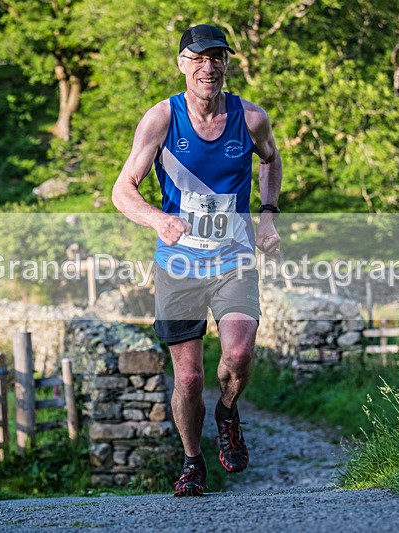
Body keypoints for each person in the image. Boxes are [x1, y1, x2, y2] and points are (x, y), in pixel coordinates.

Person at [111, 23, 282, 497]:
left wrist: (267, 216)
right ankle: (192, 463)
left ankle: (228, 412)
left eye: (218, 58)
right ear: (183, 64)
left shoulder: (250, 118)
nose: (209, 67)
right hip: (179, 263)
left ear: (226, 64)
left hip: (234, 257)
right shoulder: (161, 119)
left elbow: (270, 159)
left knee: (239, 354)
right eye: (199, 58)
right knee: (187, 377)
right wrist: (156, 220)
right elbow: (123, 190)